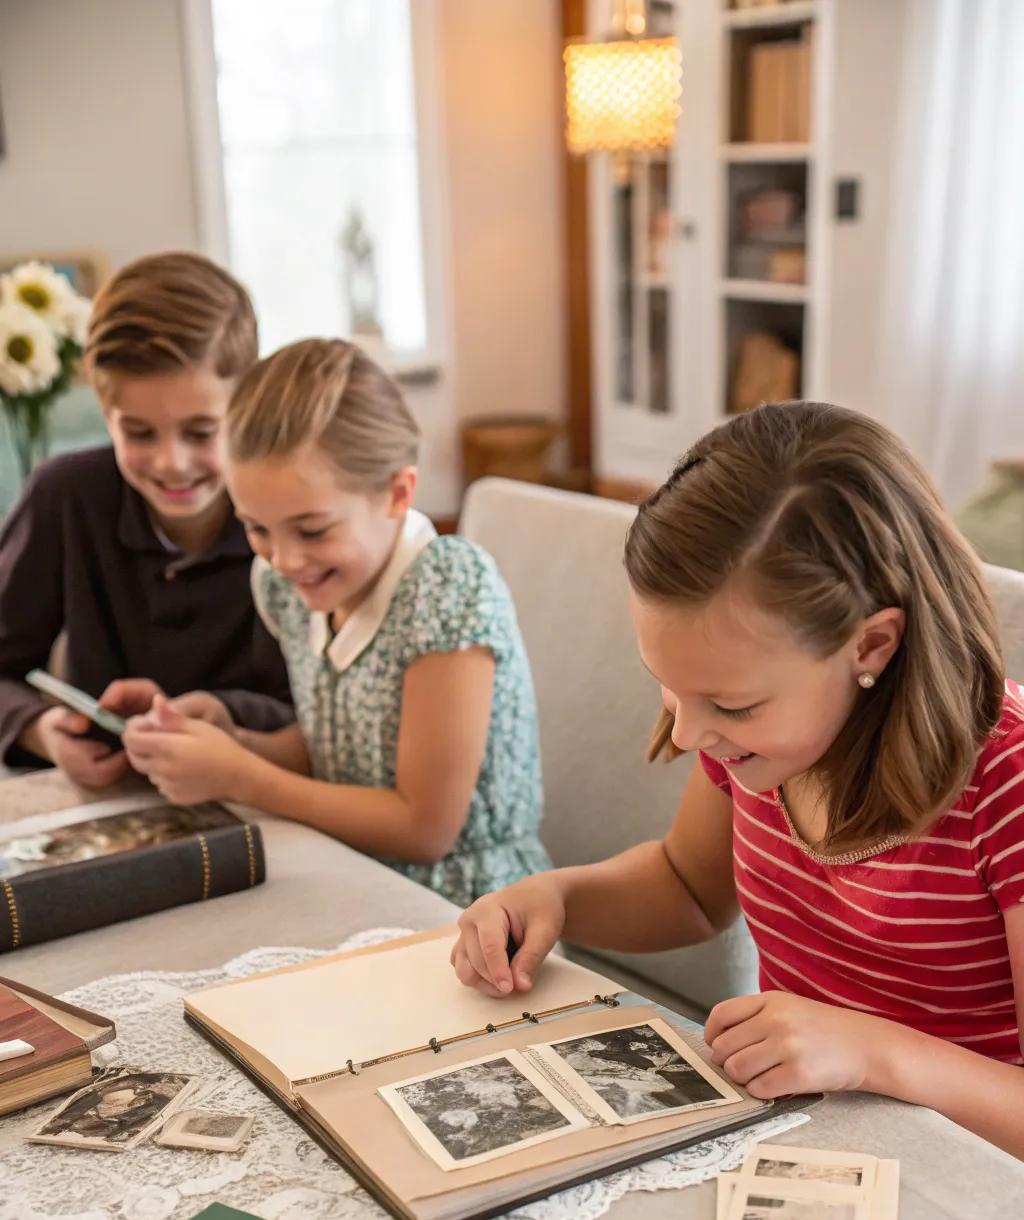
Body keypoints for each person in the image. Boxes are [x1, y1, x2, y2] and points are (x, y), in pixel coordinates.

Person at [452, 402, 1024, 1159]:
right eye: (668, 687)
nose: (689, 735)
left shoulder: (1007, 781)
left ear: (873, 646)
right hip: (800, 1138)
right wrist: (559, 898)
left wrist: (874, 1053)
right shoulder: (757, 748)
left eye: (731, 704)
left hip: (969, 1173)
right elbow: (689, 890)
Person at [124, 339, 549, 905]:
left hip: (470, 908)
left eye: (313, 529)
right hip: (348, 872)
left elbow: (424, 829)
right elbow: (339, 749)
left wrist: (239, 776)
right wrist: (233, 740)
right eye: (257, 528)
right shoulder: (286, 584)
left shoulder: (447, 587)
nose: (284, 558)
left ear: (397, 493)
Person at [0, 252, 292, 785]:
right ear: (106, 416)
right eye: (138, 433)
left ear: (247, 404)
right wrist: (42, 728)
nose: (171, 463)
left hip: (269, 797)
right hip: (110, 809)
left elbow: (330, 711)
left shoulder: (297, 511)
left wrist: (228, 720)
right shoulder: (65, 495)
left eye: (202, 433)